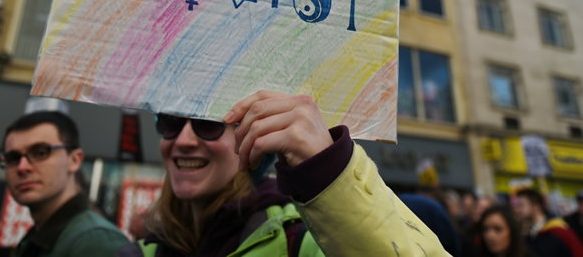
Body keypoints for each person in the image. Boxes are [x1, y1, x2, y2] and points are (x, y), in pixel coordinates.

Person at [120, 90, 449, 256]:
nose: (184, 140)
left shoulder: (306, 243)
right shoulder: (140, 250)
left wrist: (327, 172)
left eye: (208, 124)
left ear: (251, 137)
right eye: (170, 123)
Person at [0, 110, 128, 256]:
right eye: (12, 158)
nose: (22, 167)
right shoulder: (41, 236)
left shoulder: (94, 241)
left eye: (40, 152)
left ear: (74, 160)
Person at [513, 188, 583, 257]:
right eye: (516, 206)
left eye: (521, 205)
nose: (517, 210)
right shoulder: (527, 235)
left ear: (536, 205)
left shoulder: (559, 231)